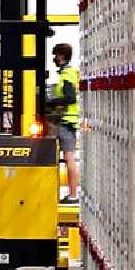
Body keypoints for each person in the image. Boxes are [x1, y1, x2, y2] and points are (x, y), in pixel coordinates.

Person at [46, 43, 80, 203]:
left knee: (69, 157)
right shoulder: (67, 73)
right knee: (67, 157)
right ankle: (72, 195)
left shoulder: (67, 74)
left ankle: (73, 195)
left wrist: (52, 102)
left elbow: (70, 98)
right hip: (66, 121)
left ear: (61, 56)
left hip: (67, 121)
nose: (54, 58)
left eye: (55, 55)